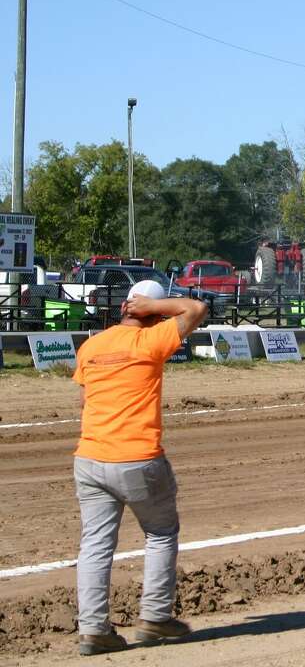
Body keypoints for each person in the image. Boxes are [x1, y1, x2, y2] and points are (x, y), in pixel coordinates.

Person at [72, 281, 207, 656]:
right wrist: (156, 306)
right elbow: (195, 309)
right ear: (150, 312)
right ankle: (154, 616)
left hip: (89, 458)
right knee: (161, 532)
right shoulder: (151, 341)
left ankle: (94, 629)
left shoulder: (91, 346)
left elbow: (85, 401)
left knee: (96, 546)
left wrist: (144, 307)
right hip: (138, 458)